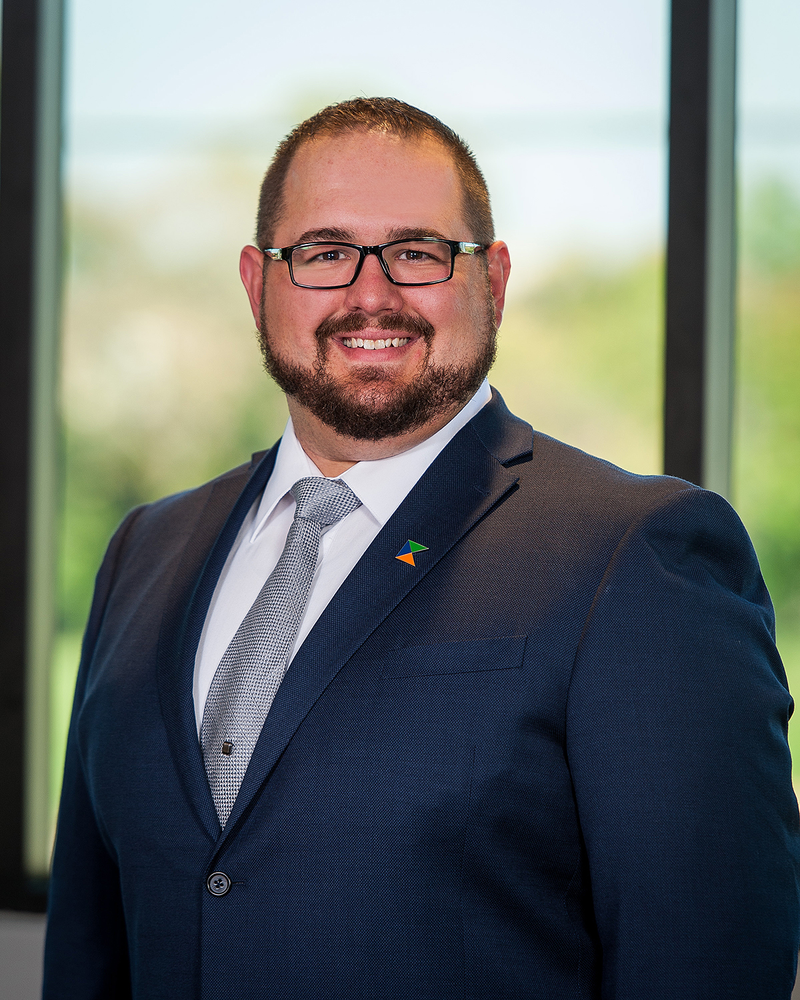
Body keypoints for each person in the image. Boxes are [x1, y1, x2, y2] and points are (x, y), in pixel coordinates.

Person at [43, 97, 799, 999]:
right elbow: (89, 949)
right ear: (258, 283)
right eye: (324, 253)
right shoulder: (146, 552)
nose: (372, 293)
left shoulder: (637, 556)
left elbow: (704, 965)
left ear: (495, 280)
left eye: (417, 252)